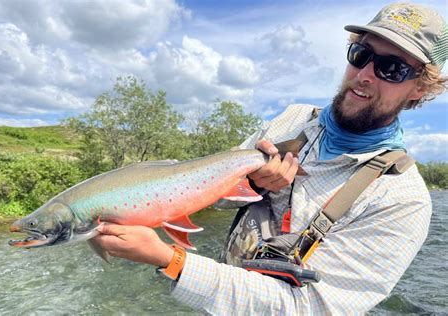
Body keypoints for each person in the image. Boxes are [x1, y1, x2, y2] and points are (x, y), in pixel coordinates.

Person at [93, 3, 447, 314]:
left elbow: (310, 308)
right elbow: (214, 201)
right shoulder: (290, 120)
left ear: (421, 88)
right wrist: (249, 184)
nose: (365, 74)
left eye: (392, 69)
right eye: (361, 55)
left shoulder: (403, 200)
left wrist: (170, 260)